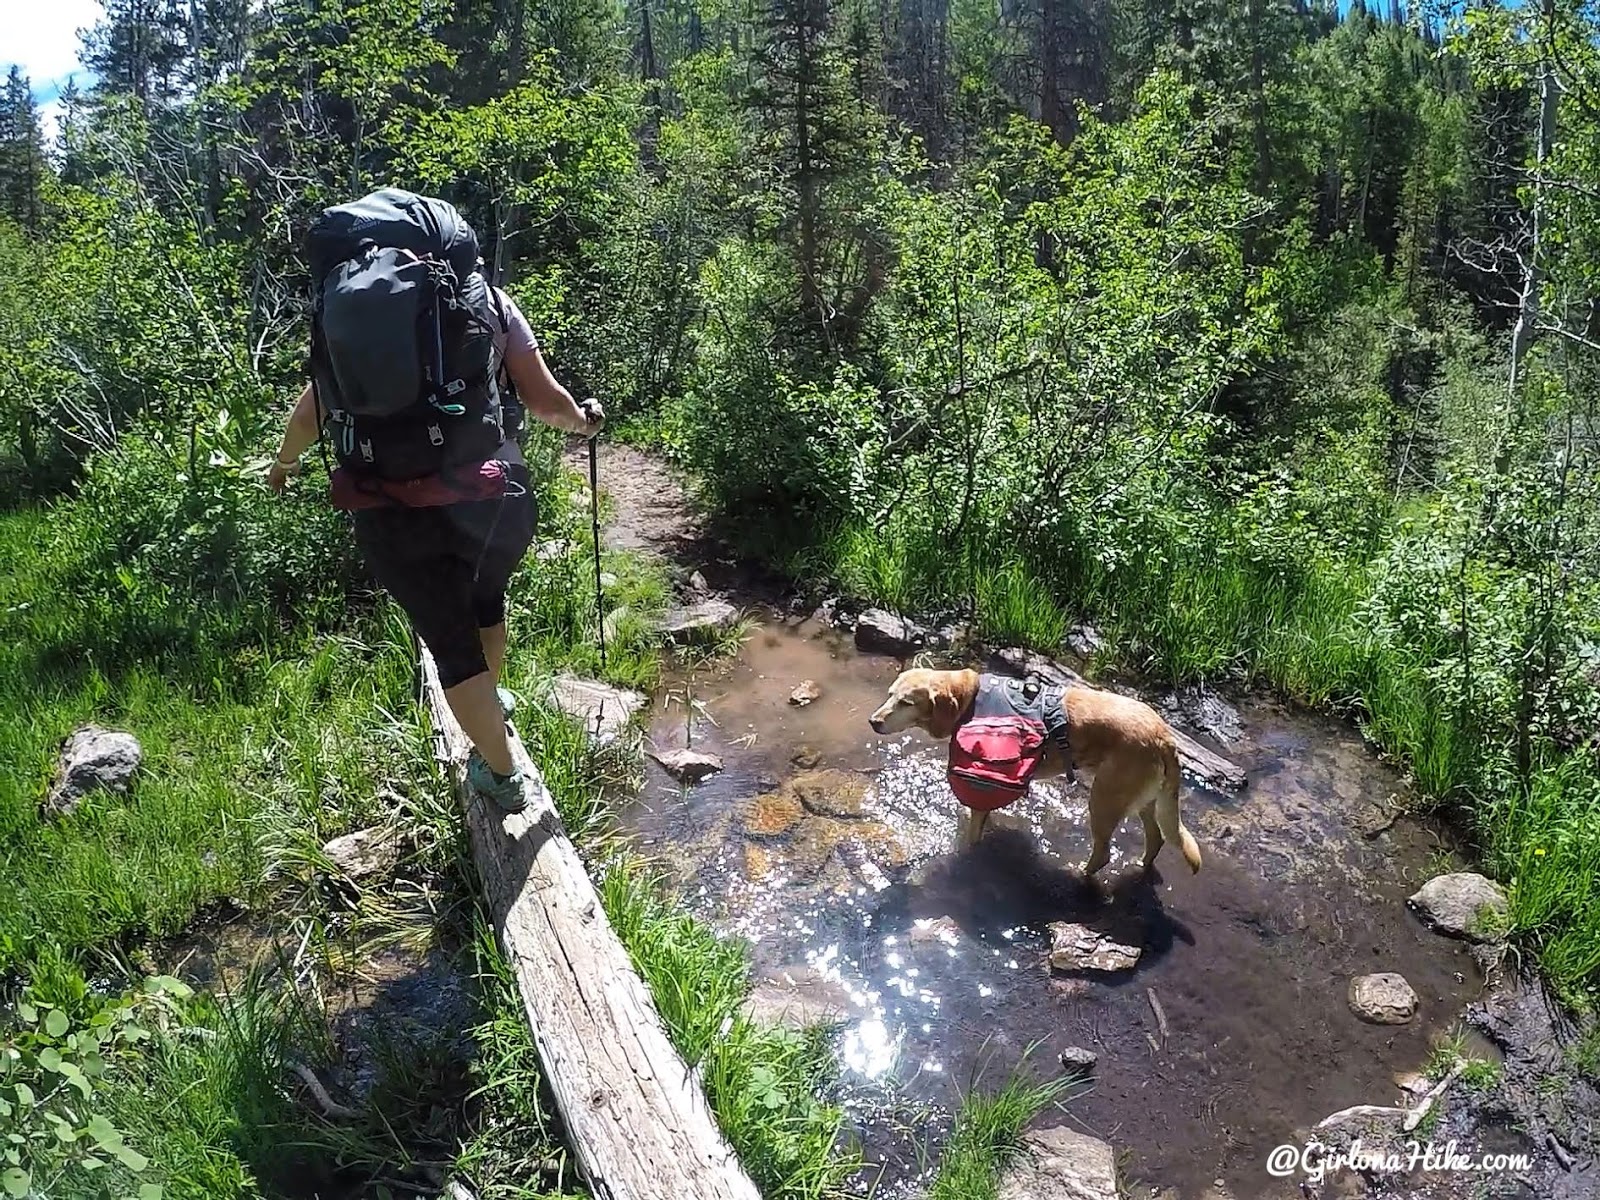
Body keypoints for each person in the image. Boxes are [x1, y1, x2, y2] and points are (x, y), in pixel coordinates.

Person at [267, 282, 603, 813]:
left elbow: (312, 413)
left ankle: (500, 771)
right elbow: (543, 399)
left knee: (450, 643)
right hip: (496, 493)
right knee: (487, 596)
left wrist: (284, 464)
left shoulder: (348, 317)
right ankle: (494, 724)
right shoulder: (485, 300)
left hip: (391, 512)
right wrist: (584, 424)